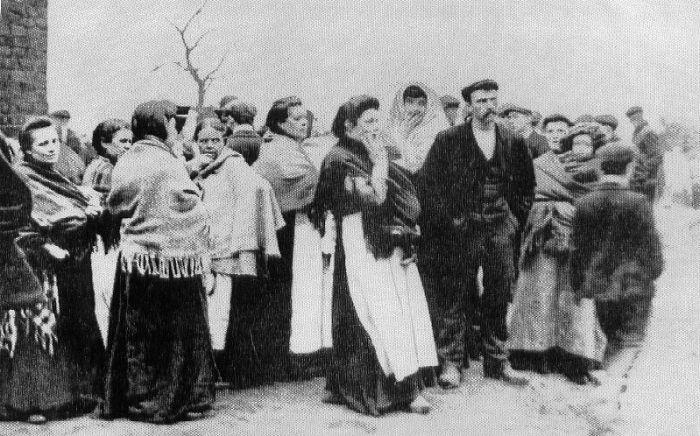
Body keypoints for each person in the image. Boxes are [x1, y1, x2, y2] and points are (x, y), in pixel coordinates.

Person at [315, 95, 437, 415]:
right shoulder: (338, 158)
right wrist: (381, 162)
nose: (375, 127)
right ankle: (398, 390)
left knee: (387, 307)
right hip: (359, 240)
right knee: (376, 310)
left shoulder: (365, 152)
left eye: (376, 121)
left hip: (380, 239)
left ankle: (345, 385)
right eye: (368, 122)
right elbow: (373, 198)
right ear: (348, 126)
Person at [101, 101, 216, 424]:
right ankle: (171, 400)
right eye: (172, 123)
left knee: (139, 338)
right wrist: (199, 200)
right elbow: (185, 205)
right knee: (175, 338)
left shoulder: (128, 158)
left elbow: (117, 203)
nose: (177, 129)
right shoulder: (166, 161)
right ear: (160, 126)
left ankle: (136, 399)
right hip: (174, 264)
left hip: (136, 262)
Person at [419, 79, 535, 388]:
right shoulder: (448, 140)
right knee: (455, 293)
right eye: (481, 100)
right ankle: (451, 363)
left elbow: (526, 187)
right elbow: (430, 188)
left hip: (499, 229)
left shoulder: (512, 141)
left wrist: (513, 220)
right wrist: (450, 221)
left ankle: (498, 360)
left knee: (499, 293)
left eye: (493, 100)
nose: (489, 106)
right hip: (462, 230)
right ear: (469, 105)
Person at [11, 116, 106, 421]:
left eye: (54, 141)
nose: (51, 148)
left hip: (69, 260)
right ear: (27, 149)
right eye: (43, 144)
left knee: (74, 323)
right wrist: (47, 241)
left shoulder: (55, 175)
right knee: (48, 329)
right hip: (40, 265)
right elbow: (22, 223)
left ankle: (82, 391)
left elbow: (71, 207)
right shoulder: (23, 177)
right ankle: (48, 399)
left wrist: (86, 209)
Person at [507, 125, 607, 384]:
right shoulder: (544, 165)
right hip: (544, 239)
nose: (581, 148)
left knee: (574, 300)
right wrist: (551, 210)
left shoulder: (598, 171)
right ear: (568, 143)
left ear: (594, 147)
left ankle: (574, 358)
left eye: (587, 144)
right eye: (576, 143)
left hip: (579, 241)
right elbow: (530, 196)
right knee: (540, 293)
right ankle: (534, 352)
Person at [191, 119, 285, 388]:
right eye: (203, 140)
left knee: (223, 313)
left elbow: (259, 189)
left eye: (214, 140)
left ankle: (226, 372)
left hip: (227, 250)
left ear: (224, 141)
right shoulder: (200, 167)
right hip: (207, 247)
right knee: (212, 312)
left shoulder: (233, 164)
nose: (209, 145)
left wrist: (242, 236)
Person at [253, 96, 325, 380]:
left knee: (284, 294)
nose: (303, 122)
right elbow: (305, 183)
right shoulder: (280, 149)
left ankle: (284, 358)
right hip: (288, 227)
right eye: (296, 119)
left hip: (287, 225)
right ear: (281, 123)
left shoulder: (284, 146)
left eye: (304, 117)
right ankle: (285, 361)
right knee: (287, 294)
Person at [571, 142, 664, 353]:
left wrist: (578, 285)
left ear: (599, 167)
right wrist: (650, 274)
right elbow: (652, 249)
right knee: (630, 346)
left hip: (599, 287)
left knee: (609, 342)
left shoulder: (584, 203)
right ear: (630, 167)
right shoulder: (639, 202)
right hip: (634, 287)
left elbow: (578, 250)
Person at [82, 119, 133, 344]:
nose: (128, 146)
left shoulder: (97, 165)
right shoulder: (107, 170)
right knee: (109, 301)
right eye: (122, 141)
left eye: (131, 141)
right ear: (104, 143)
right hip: (105, 244)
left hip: (100, 244)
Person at [385, 83, 449, 176]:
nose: (415, 108)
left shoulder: (435, 130)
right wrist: (402, 133)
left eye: (421, 103)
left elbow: (415, 168)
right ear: (401, 104)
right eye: (410, 102)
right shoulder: (390, 128)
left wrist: (402, 137)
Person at [626, 106, 663, 202]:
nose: (632, 122)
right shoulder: (636, 133)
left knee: (645, 208)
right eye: (631, 119)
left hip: (647, 179)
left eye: (635, 119)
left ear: (641, 117)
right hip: (637, 178)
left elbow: (657, 156)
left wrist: (643, 169)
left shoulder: (648, 132)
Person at [220, 100, 263, 165]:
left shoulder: (227, 143)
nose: (226, 123)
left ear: (231, 119)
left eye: (227, 118)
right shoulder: (262, 142)